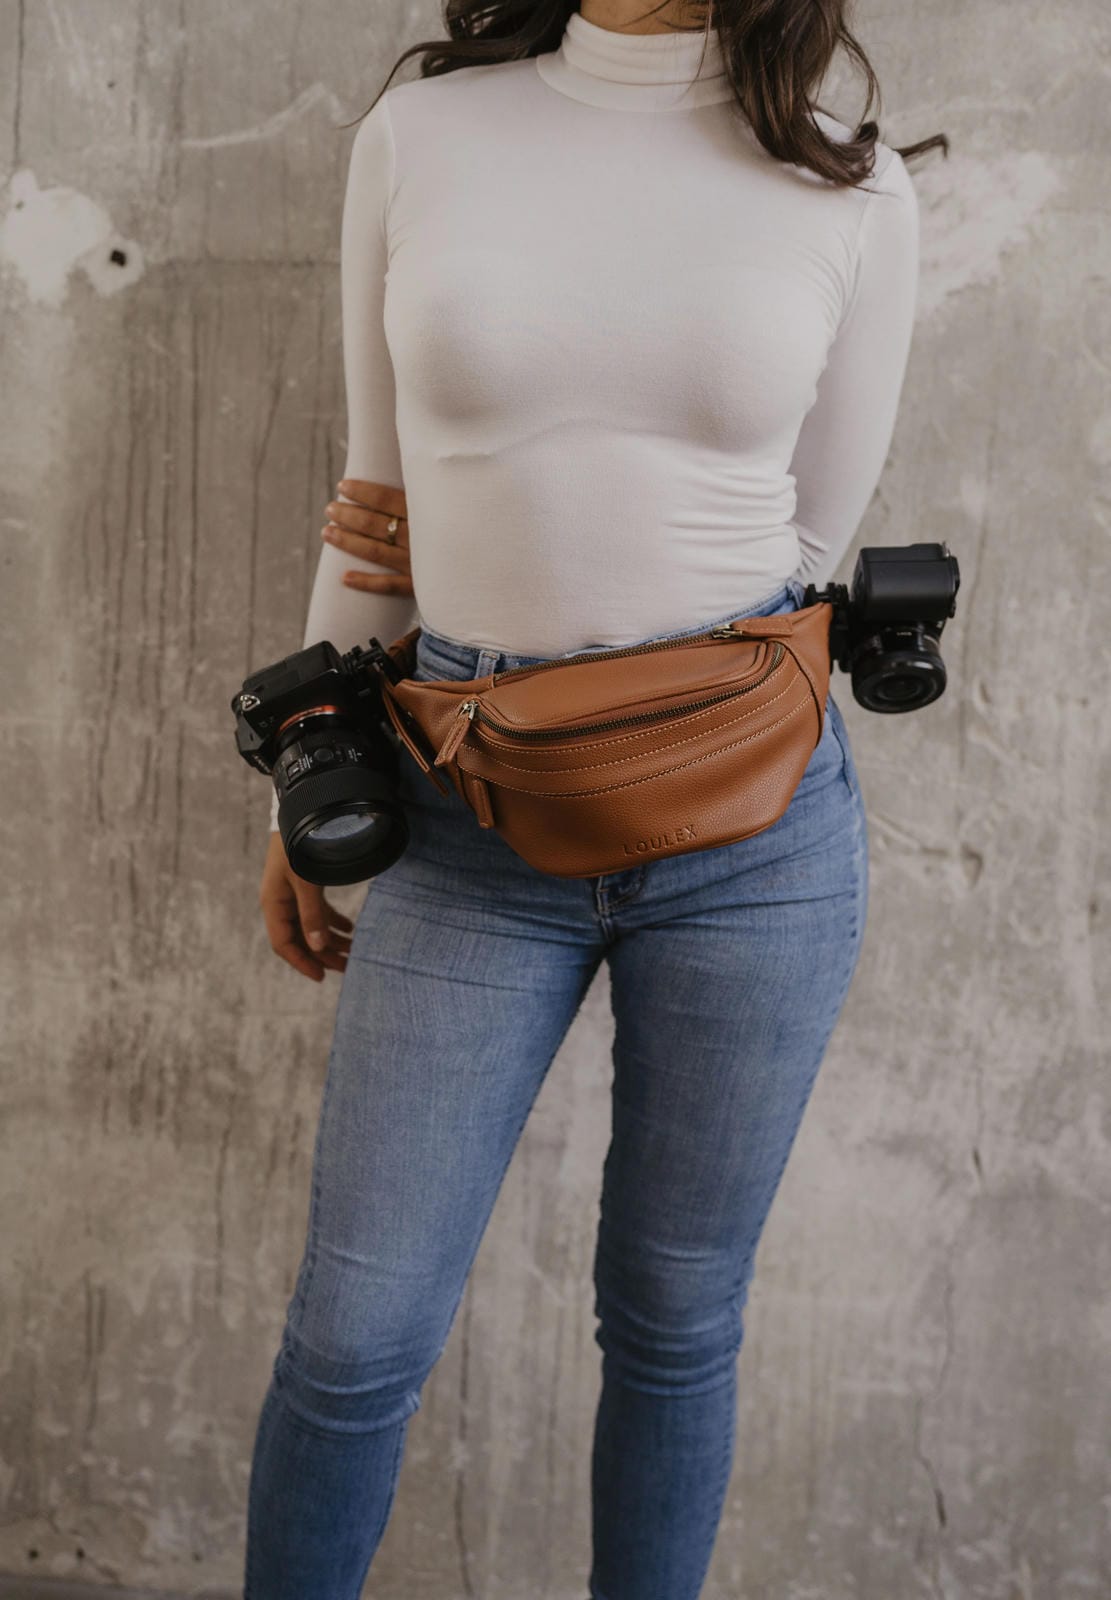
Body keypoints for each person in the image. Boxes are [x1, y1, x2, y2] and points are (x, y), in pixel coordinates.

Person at [246, 2, 935, 1595]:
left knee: (677, 1320)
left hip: (754, 837)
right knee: (356, 1338)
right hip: (462, 813)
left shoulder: (851, 184)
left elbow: (814, 539)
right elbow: (379, 503)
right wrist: (301, 783)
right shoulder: (424, 138)